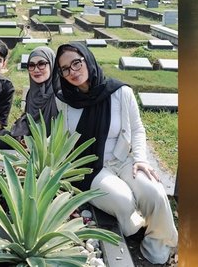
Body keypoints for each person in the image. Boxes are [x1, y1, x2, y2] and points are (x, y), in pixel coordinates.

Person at [54, 42, 178, 264]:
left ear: (88, 60)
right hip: (91, 165)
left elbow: (138, 129)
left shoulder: (120, 92)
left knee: (154, 193)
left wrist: (140, 159)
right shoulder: (64, 101)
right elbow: (60, 138)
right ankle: (135, 229)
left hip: (123, 159)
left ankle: (157, 244)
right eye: (65, 68)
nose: (72, 72)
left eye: (76, 63)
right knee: (123, 201)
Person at [10, 46, 59, 138]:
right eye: (31, 65)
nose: (36, 70)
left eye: (41, 64)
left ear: (52, 64)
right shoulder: (31, 94)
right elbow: (28, 120)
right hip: (29, 145)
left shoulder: (60, 94)